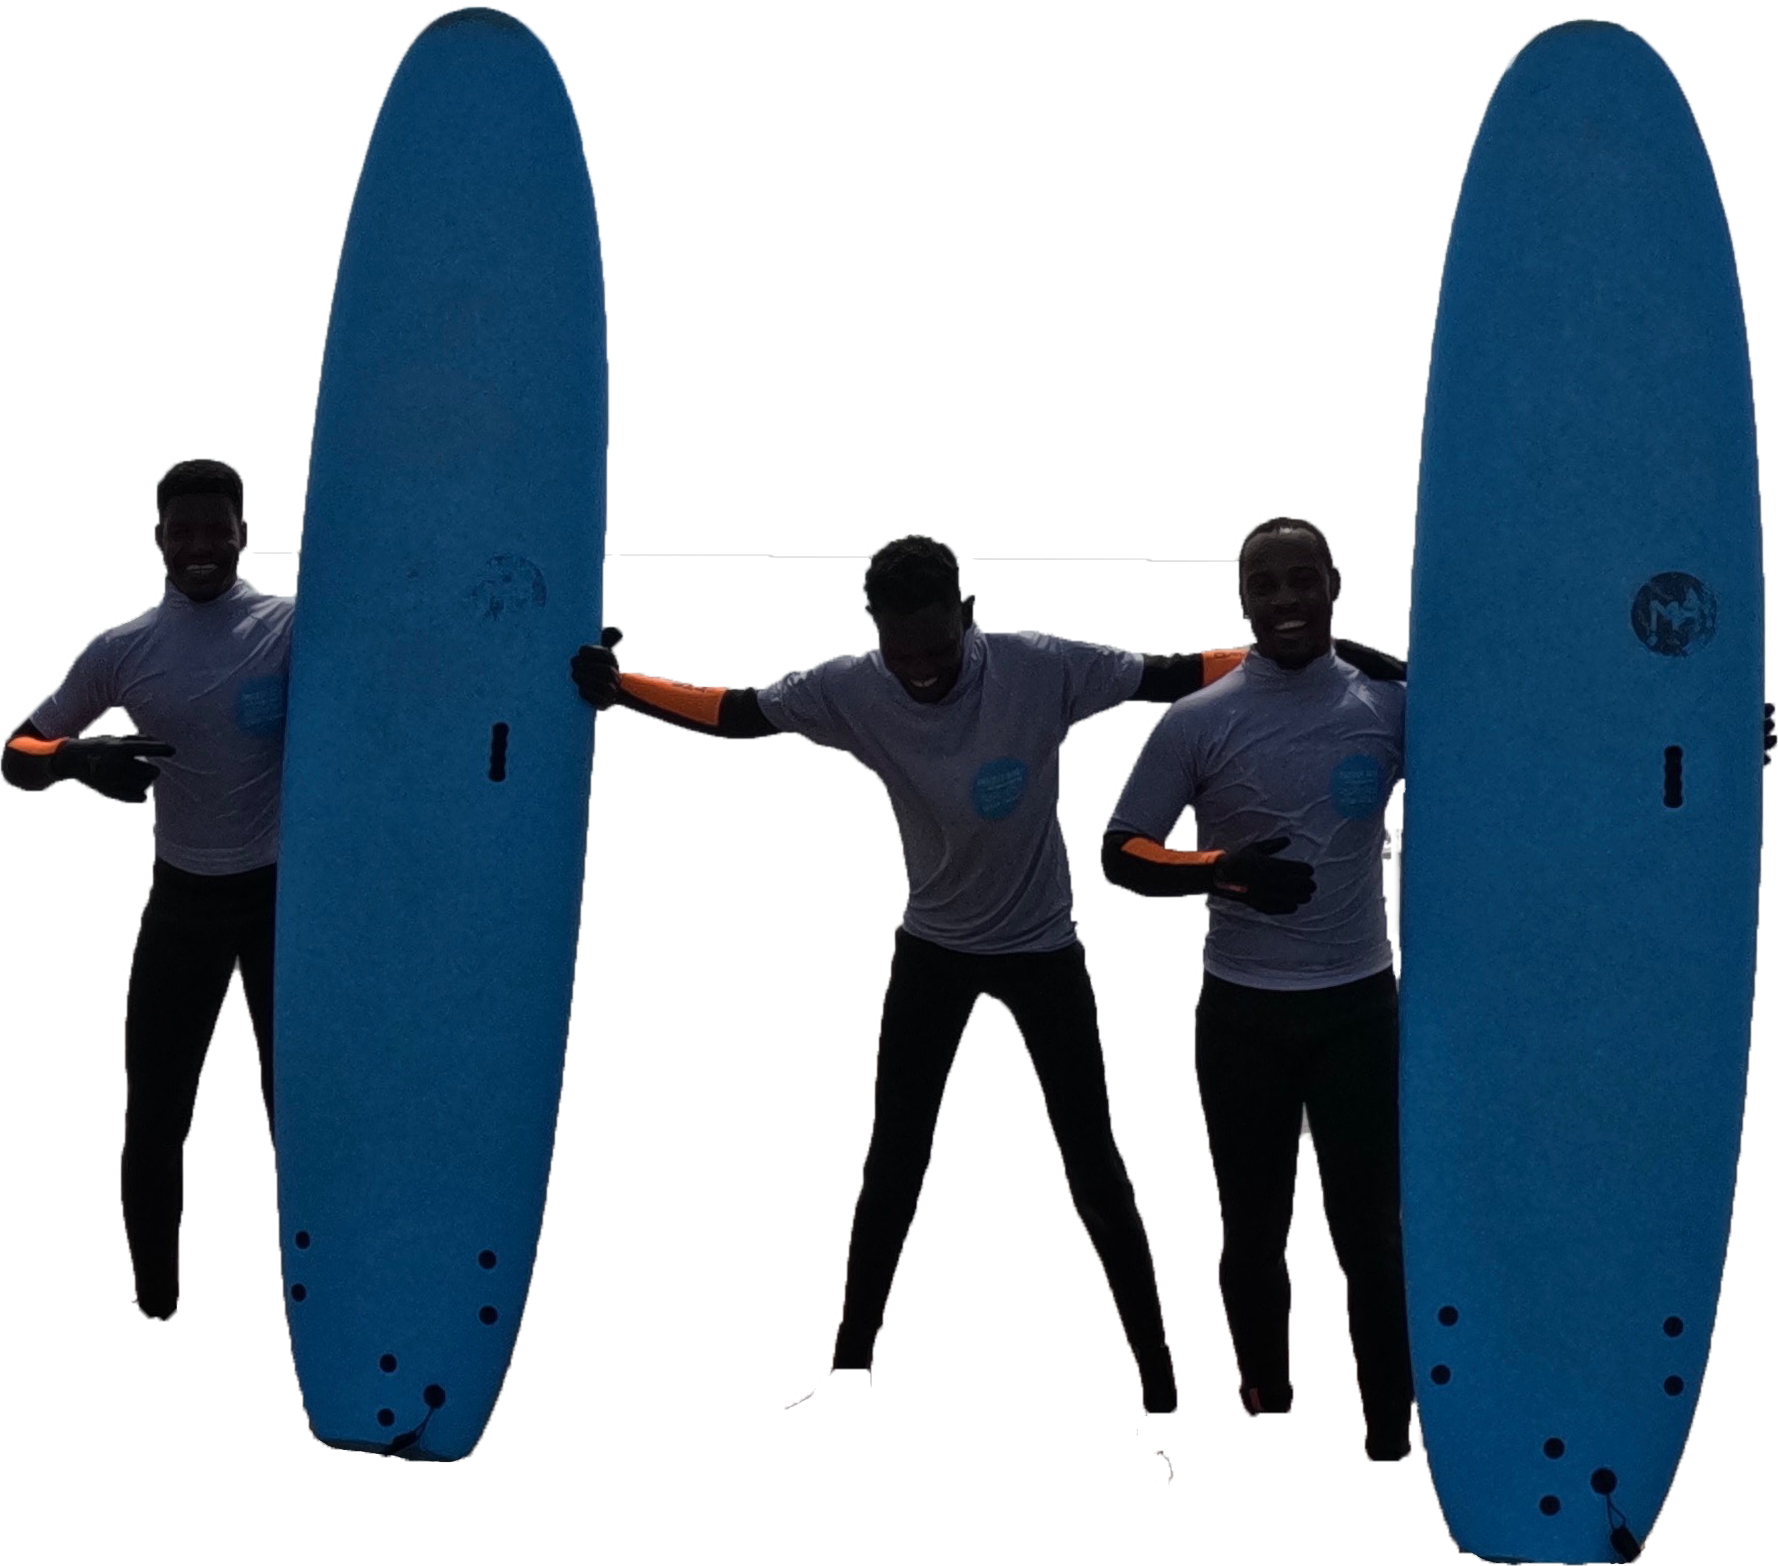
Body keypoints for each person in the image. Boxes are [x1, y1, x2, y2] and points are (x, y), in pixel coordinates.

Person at [570, 533, 1406, 1443]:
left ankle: (1162, 1399)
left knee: (1096, 1172)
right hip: (935, 949)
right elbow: (737, 712)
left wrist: (1344, 652)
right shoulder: (853, 688)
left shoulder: (1036, 670)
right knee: (893, 1167)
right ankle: (847, 1392)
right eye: (903, 653)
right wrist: (621, 687)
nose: (922, 671)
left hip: (1041, 948)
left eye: (938, 648)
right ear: (877, 636)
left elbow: (1175, 673)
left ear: (967, 619)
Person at [1099, 515, 1778, 1504]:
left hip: (1360, 1012)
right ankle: (1263, 1404)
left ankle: (1387, 1434)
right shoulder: (1197, 723)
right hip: (1244, 1018)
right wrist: (1221, 872)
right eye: (1265, 585)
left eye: (1302, 581)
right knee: (1250, 1229)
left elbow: (1536, 753)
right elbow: (1125, 847)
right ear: (1242, 599)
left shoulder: (1387, 713)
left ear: (1332, 584)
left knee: (1374, 1233)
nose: (1285, 601)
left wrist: (1707, 728)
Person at [3, 458, 288, 1565]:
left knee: (298, 1109)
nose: (203, 543)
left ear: (238, 530)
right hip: (183, 904)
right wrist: (81, 759)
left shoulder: (287, 628)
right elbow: (15, 750)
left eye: (219, 526)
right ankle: (158, 1321)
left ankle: (321, 1304)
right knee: (153, 1118)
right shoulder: (124, 651)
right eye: (186, 528)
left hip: (277, 901)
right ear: (163, 537)